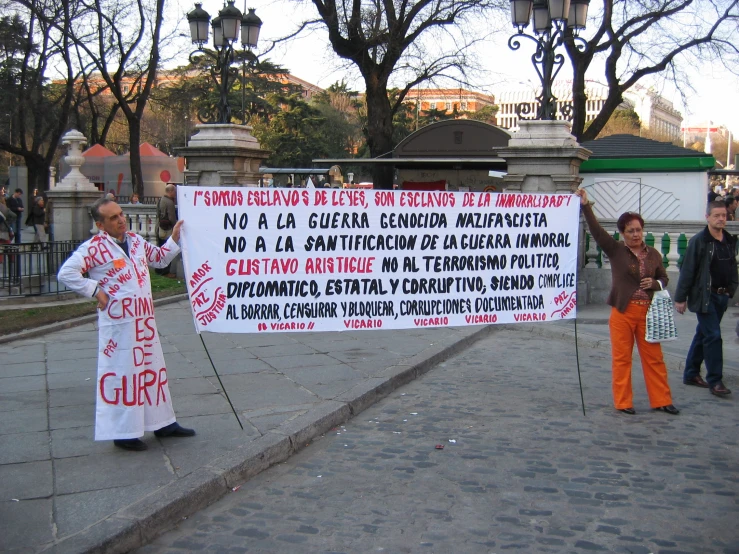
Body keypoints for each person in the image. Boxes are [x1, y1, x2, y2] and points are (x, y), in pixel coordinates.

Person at [57, 198, 195, 451]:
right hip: (119, 324)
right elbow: (67, 273)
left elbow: (160, 259)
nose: (121, 220)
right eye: (113, 218)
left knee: (154, 372)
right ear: (100, 224)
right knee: (124, 376)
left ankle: (163, 423)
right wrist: (94, 289)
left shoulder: (136, 240)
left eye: (120, 214)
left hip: (145, 321)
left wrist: (174, 238)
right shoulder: (94, 248)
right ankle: (123, 432)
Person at [576, 189, 679, 415]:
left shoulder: (653, 254)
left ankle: (662, 399)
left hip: (648, 313)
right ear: (622, 233)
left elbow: (664, 278)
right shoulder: (615, 250)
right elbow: (596, 231)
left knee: (654, 358)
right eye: (630, 231)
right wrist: (586, 206)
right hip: (623, 311)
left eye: (639, 230)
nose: (636, 234)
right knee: (622, 359)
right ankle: (624, 402)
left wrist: (654, 283)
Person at [674, 200, 736, 397]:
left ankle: (691, 373)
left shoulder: (728, 240)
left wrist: (731, 289)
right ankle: (715, 380)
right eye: (716, 215)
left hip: (722, 296)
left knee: (704, 334)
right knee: (713, 337)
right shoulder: (699, 241)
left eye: (723, 216)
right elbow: (687, 270)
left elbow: (732, 267)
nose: (720, 219)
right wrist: (680, 298)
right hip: (705, 297)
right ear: (707, 217)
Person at [155, 184, 178, 278]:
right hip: (167, 229)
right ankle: (165, 271)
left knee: (160, 249)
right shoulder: (169, 202)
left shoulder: (161, 200)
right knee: (167, 250)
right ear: (171, 191)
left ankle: (158, 269)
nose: (175, 194)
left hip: (159, 228)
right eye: (174, 192)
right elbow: (172, 218)